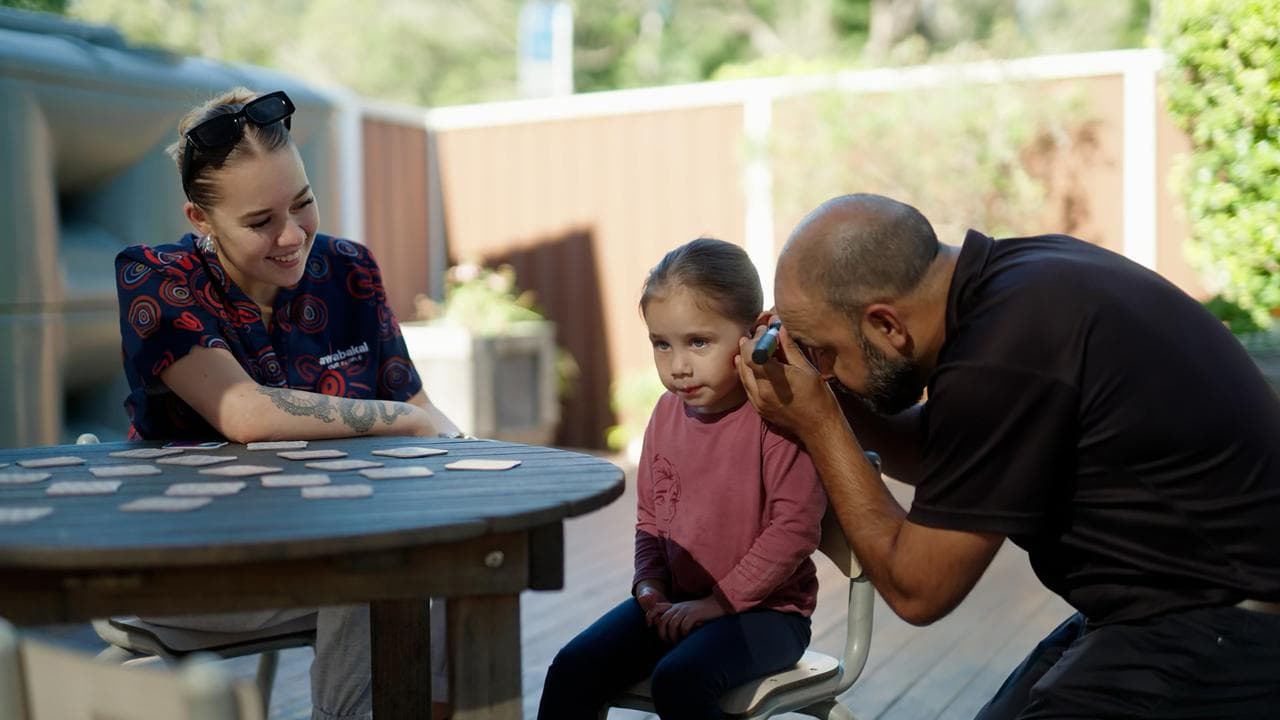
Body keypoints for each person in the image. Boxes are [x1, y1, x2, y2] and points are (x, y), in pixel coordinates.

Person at [737, 193, 1280, 719]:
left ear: (887, 325)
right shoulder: (1015, 284)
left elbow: (917, 589)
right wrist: (817, 392)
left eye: (824, 351)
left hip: (1226, 624)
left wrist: (820, 420)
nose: (822, 368)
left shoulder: (1003, 354)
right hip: (1172, 604)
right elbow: (947, 455)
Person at [114, 87, 459, 720]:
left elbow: (422, 406)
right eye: (259, 221)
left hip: (326, 552)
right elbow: (245, 412)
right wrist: (406, 421)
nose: (291, 235)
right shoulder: (154, 279)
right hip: (183, 568)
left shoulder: (350, 269)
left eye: (303, 204)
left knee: (432, 567)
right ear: (200, 219)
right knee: (386, 571)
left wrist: (441, 440)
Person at [537, 238, 827, 720]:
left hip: (768, 616)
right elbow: (652, 518)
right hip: (678, 606)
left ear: (752, 333)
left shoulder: (777, 416)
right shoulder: (666, 414)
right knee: (574, 667)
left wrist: (717, 604)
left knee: (680, 680)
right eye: (661, 344)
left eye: (698, 342)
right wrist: (648, 584)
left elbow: (795, 529)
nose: (678, 366)